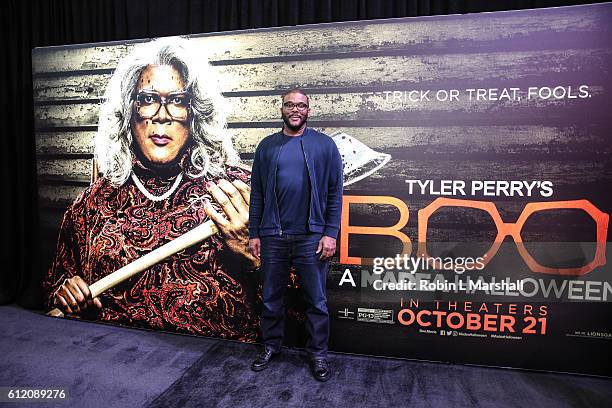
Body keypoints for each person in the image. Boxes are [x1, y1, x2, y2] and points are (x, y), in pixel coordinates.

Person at [43, 38, 261, 342]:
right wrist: (68, 296)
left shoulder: (238, 193)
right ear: (129, 113)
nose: (161, 114)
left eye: (177, 100)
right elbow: (55, 295)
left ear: (195, 111)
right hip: (109, 368)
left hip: (213, 374)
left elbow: (299, 314)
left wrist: (255, 258)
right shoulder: (90, 207)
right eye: (147, 99)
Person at [248, 89, 343, 381]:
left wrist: (330, 233)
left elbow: (334, 194)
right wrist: (255, 233)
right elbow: (258, 195)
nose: (295, 110)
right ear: (281, 109)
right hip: (273, 236)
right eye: (290, 104)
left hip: (311, 238)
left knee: (316, 300)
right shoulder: (266, 147)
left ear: (308, 111)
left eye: (301, 105)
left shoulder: (325, 146)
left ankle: (318, 354)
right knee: (271, 298)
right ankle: (271, 346)